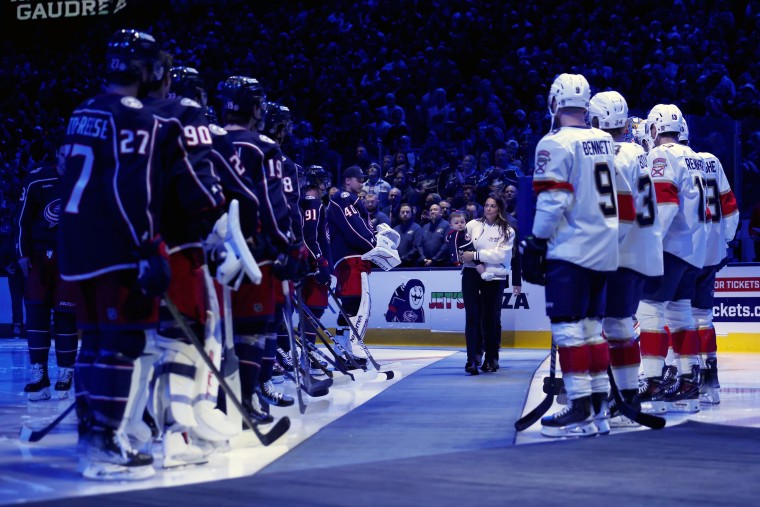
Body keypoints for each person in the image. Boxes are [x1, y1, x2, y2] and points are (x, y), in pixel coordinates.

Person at [58, 29, 170, 480]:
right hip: (113, 247)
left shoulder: (81, 111)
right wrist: (147, 246)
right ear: (145, 70)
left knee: (93, 340)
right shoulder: (137, 117)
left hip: (74, 244)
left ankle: (91, 436)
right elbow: (131, 189)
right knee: (121, 343)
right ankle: (104, 443)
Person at [520, 73, 619, 437]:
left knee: (568, 329)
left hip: (572, 248)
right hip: (604, 247)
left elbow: (553, 200)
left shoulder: (555, 143)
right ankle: (598, 408)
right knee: (593, 330)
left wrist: (536, 241)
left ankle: (579, 406)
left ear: (555, 103)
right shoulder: (605, 141)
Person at [221, 76, 302, 422]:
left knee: (220, 329)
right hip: (253, 250)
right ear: (256, 108)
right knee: (253, 327)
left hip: (211, 250)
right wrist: (288, 246)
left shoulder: (207, 139)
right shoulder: (262, 146)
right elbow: (272, 204)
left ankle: (220, 401)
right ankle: (248, 399)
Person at [588, 91, 663, 429]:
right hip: (641, 248)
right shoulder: (641, 152)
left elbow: (616, 208)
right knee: (621, 324)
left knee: (611, 326)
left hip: (619, 250)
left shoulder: (615, 155)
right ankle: (628, 394)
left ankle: (616, 396)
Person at [636, 104, 709, 415]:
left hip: (667, 247)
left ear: (655, 128)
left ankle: (652, 381)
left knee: (650, 314)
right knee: (681, 317)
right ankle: (689, 383)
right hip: (692, 248)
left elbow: (664, 204)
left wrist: (648, 244)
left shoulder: (661, 155)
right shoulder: (698, 157)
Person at [682, 121, 739, 405]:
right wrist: (724, 241)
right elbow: (729, 204)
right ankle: (710, 380)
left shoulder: (671, 160)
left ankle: (685, 379)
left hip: (684, 252)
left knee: (675, 317)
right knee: (703, 317)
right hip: (711, 249)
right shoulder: (711, 161)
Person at [16, 144, 78, 401]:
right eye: (65, 157)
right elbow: (21, 219)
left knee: (66, 314)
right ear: (58, 156)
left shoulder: (87, 180)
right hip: (40, 257)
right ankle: (38, 375)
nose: (69, 162)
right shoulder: (36, 179)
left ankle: (66, 372)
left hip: (72, 256)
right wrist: (21, 253)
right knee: (36, 313)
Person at [459, 195, 520, 374]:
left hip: (495, 276)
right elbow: (464, 247)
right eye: (486, 205)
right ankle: (472, 359)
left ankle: (491, 358)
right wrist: (468, 256)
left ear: (499, 208)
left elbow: (501, 256)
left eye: (492, 206)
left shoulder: (508, 231)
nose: (488, 209)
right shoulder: (472, 225)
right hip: (471, 273)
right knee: (472, 316)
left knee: (490, 318)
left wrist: (476, 255)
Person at [326, 165, 376, 366]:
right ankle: (352, 349)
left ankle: (342, 349)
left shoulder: (350, 200)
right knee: (356, 305)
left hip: (351, 258)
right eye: (358, 178)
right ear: (347, 180)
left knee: (350, 304)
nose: (362, 182)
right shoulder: (343, 198)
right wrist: (372, 242)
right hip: (351, 258)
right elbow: (353, 229)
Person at [417, 203, 450, 267]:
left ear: (441, 213)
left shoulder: (447, 225)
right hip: (426, 262)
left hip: (442, 264)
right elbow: (419, 244)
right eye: (431, 210)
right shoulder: (425, 227)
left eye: (435, 210)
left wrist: (434, 260)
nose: (432, 212)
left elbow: (446, 245)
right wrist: (423, 258)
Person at [394, 203, 422, 267]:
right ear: (399, 214)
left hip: (411, 264)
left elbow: (416, 247)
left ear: (412, 214)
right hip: (396, 263)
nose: (405, 214)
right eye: (403, 212)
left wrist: (404, 259)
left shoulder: (417, 228)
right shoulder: (395, 229)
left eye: (407, 212)